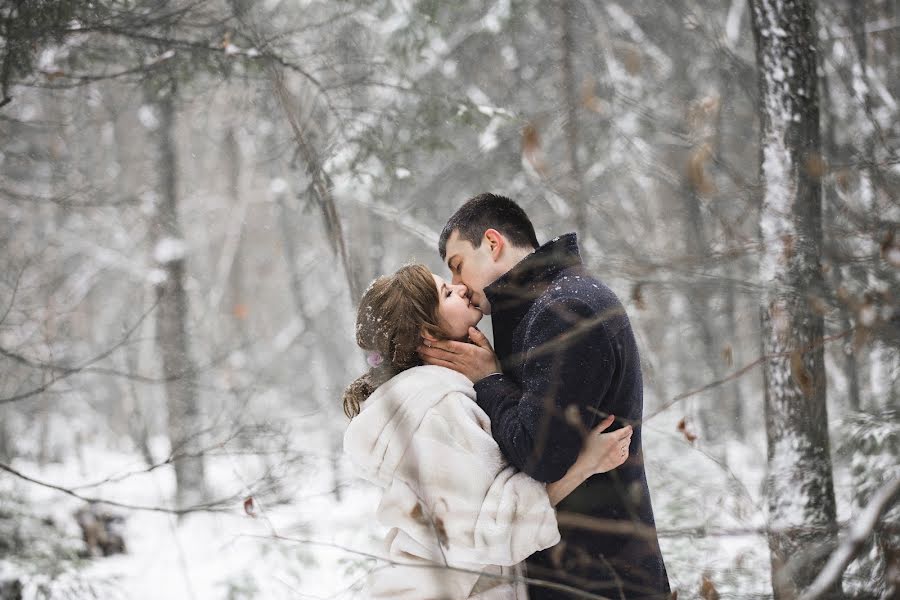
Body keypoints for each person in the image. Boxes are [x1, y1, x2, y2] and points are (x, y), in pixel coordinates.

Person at [418, 193, 670, 599]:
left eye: (458, 266)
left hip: (600, 576)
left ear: (493, 242)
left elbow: (542, 455)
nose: (459, 285)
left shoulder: (566, 310)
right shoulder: (543, 309)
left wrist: (488, 379)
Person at [342, 263, 634, 599]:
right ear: (427, 333)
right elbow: (488, 533)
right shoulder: (437, 407)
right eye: (446, 293)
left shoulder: (429, 399)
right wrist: (585, 465)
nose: (461, 288)